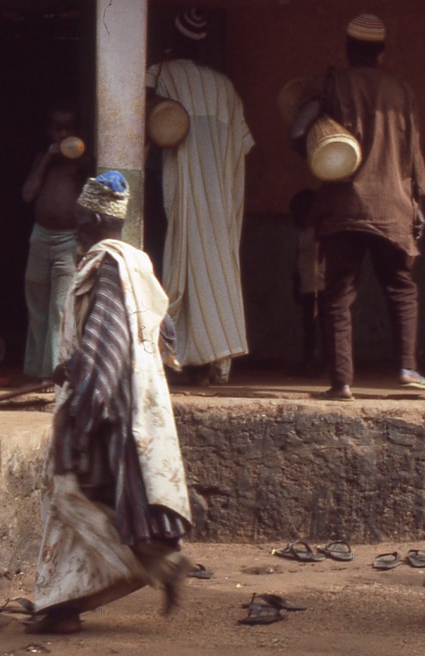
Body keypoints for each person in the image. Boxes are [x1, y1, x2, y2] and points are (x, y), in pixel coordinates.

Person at [27, 171, 192, 635]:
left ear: (97, 218)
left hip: (105, 402)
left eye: (81, 218)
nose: (75, 227)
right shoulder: (139, 265)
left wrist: (80, 387)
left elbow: (106, 343)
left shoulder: (106, 267)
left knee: (72, 493)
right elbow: (163, 331)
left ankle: (68, 604)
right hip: (135, 400)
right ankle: (67, 604)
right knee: (98, 496)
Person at [289, 14, 425, 400]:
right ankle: (406, 366)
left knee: (338, 296)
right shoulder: (402, 91)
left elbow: (298, 131)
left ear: (349, 48)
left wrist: (320, 158)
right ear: (381, 51)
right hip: (393, 205)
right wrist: (417, 205)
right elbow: (413, 152)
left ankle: (342, 383)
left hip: (343, 206)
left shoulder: (331, 84)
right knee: (401, 288)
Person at [147, 8, 253, 385]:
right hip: (219, 199)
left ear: (171, 42)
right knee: (217, 270)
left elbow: (147, 123)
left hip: (174, 195)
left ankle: (167, 360)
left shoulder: (161, 74)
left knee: (168, 270)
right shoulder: (226, 88)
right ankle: (214, 362)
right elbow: (243, 145)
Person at [21, 104, 90, 382]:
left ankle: (53, 374)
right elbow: (27, 195)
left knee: (60, 309)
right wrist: (47, 159)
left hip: (67, 241)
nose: (62, 136)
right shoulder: (42, 159)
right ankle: (36, 368)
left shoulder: (83, 163)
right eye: (57, 129)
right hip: (40, 237)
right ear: (50, 131)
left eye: (68, 130)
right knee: (36, 306)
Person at [290, 189, 324, 377]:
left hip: (322, 286)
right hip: (307, 286)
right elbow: (299, 259)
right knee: (308, 326)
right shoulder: (302, 234)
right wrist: (296, 280)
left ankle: (326, 363)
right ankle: (309, 361)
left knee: (324, 326)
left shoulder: (322, 231)